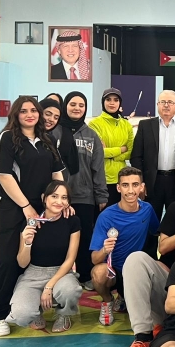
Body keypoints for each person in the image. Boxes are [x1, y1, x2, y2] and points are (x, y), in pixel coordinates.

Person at [0, 97, 66, 336]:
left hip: (40, 208)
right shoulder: (7, 138)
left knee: (32, 259)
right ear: (16, 115)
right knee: (7, 259)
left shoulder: (47, 140)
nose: (29, 114)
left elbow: (57, 174)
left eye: (33, 110)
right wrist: (25, 206)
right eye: (23, 111)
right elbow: (4, 175)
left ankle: (27, 307)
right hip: (11, 208)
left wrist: (62, 200)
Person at [7, 180, 82, 334]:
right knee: (21, 315)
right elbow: (22, 263)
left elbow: (70, 259)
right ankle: (36, 312)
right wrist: (27, 243)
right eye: (54, 196)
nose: (59, 201)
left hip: (61, 273)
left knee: (70, 290)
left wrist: (49, 286)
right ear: (44, 197)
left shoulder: (72, 221)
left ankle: (64, 314)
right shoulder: (31, 222)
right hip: (33, 274)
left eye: (64, 197)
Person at [90, 167, 160, 326]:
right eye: (125, 185)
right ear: (118, 188)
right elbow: (94, 259)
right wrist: (105, 250)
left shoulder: (147, 209)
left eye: (135, 185)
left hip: (135, 271)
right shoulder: (106, 216)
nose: (130, 190)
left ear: (142, 187)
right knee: (98, 274)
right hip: (113, 271)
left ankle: (123, 296)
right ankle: (107, 300)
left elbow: (156, 232)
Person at [54, 91, 108, 288]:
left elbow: (98, 168)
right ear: (65, 106)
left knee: (85, 238)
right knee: (59, 238)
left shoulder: (91, 136)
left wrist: (101, 195)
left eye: (81, 105)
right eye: (73, 104)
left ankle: (85, 275)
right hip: (58, 198)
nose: (77, 108)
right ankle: (60, 276)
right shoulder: (54, 132)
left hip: (84, 196)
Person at [131, 90, 175, 220]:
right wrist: (140, 182)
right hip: (152, 182)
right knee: (149, 221)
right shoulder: (145, 126)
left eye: (170, 102)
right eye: (163, 102)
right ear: (157, 105)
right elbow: (136, 157)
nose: (166, 105)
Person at [90, 88, 135, 207]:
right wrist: (121, 149)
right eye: (108, 99)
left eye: (116, 100)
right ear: (103, 102)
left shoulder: (126, 125)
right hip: (101, 180)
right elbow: (98, 152)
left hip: (122, 179)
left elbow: (131, 152)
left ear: (120, 103)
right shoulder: (94, 124)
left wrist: (111, 154)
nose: (112, 103)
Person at [40, 97, 79, 176]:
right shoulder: (20, 136)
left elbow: (57, 171)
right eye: (48, 114)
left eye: (56, 118)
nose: (51, 119)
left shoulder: (50, 140)